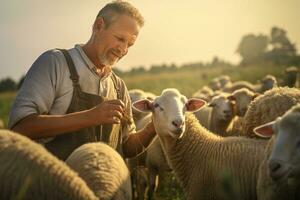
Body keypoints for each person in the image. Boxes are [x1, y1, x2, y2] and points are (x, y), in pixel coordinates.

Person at [8, 0, 156, 161]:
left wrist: (154, 128)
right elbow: (20, 129)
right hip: (53, 183)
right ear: (98, 26)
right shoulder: (55, 63)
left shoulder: (118, 86)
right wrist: (90, 117)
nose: (124, 50)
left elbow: (126, 146)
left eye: (130, 44)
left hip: (100, 186)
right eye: (120, 38)